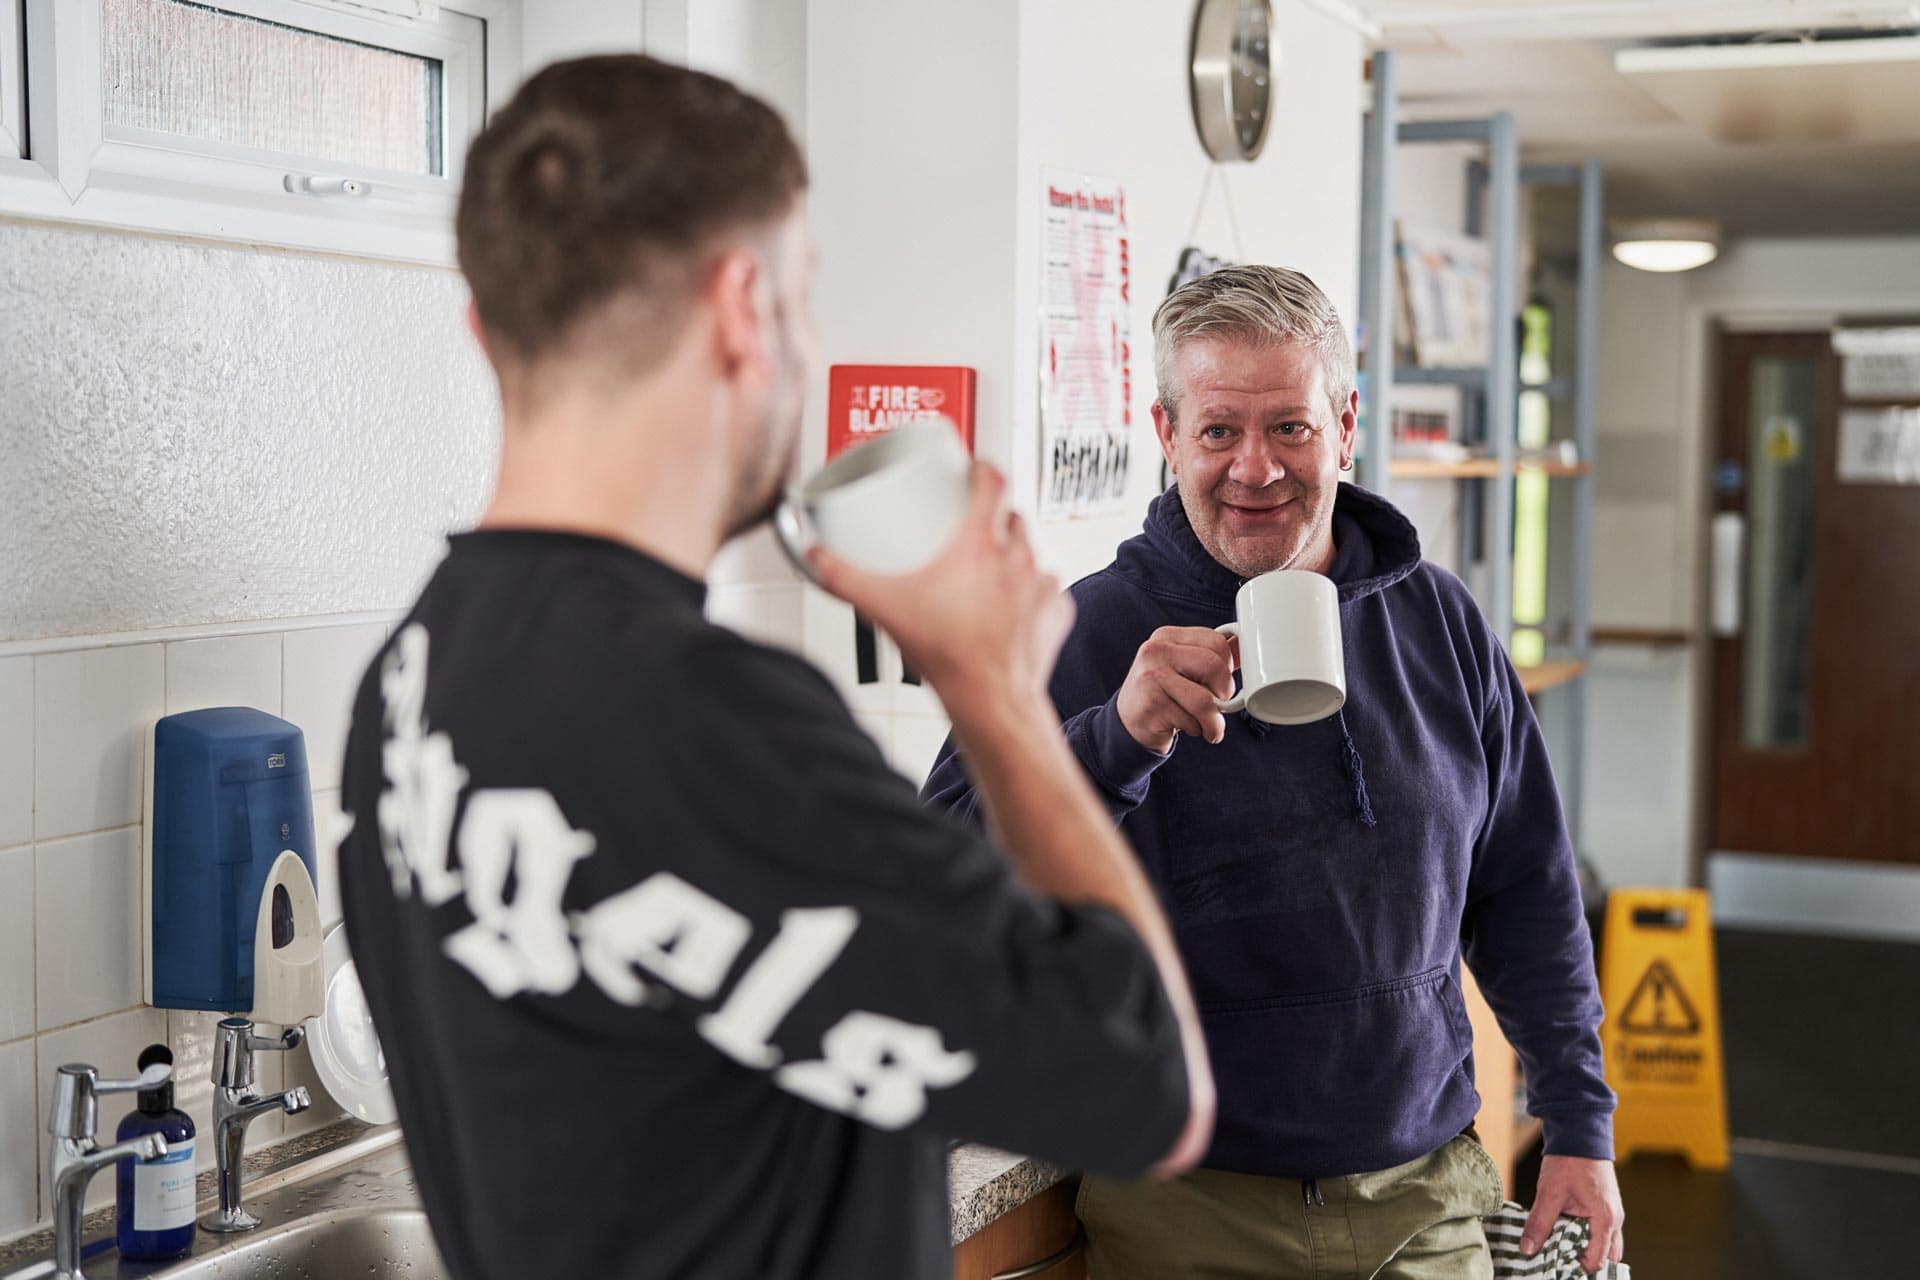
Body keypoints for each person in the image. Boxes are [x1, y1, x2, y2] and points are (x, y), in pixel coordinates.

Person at [335, 56, 1213, 1280]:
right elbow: (1147, 1089)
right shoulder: (708, 719)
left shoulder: (410, 675)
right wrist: (998, 692)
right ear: (746, 308)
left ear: (487, 327)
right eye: (805, 298)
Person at [925, 265, 1624, 1278]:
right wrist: (1115, 738)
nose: (1256, 467)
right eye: (1218, 431)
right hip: (1188, 1211)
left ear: (1346, 424)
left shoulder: (1441, 621)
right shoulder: (1083, 633)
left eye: (1290, 427)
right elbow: (935, 874)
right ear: (1166, 434)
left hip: (1425, 1199)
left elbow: (1527, 886)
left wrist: (1579, 1121)